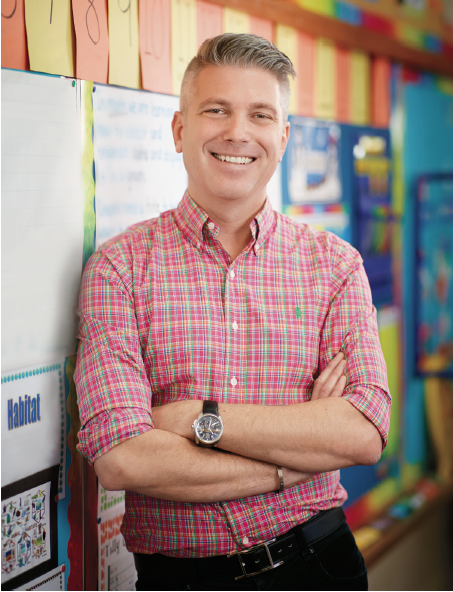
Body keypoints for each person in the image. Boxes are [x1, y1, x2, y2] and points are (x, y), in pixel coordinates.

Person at [75, 33, 391, 591]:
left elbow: (363, 431)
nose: (237, 132)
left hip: (319, 565)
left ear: (284, 137)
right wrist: (291, 464)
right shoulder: (118, 269)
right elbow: (124, 460)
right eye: (216, 109)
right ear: (180, 129)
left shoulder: (335, 264)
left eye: (260, 114)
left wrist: (196, 417)